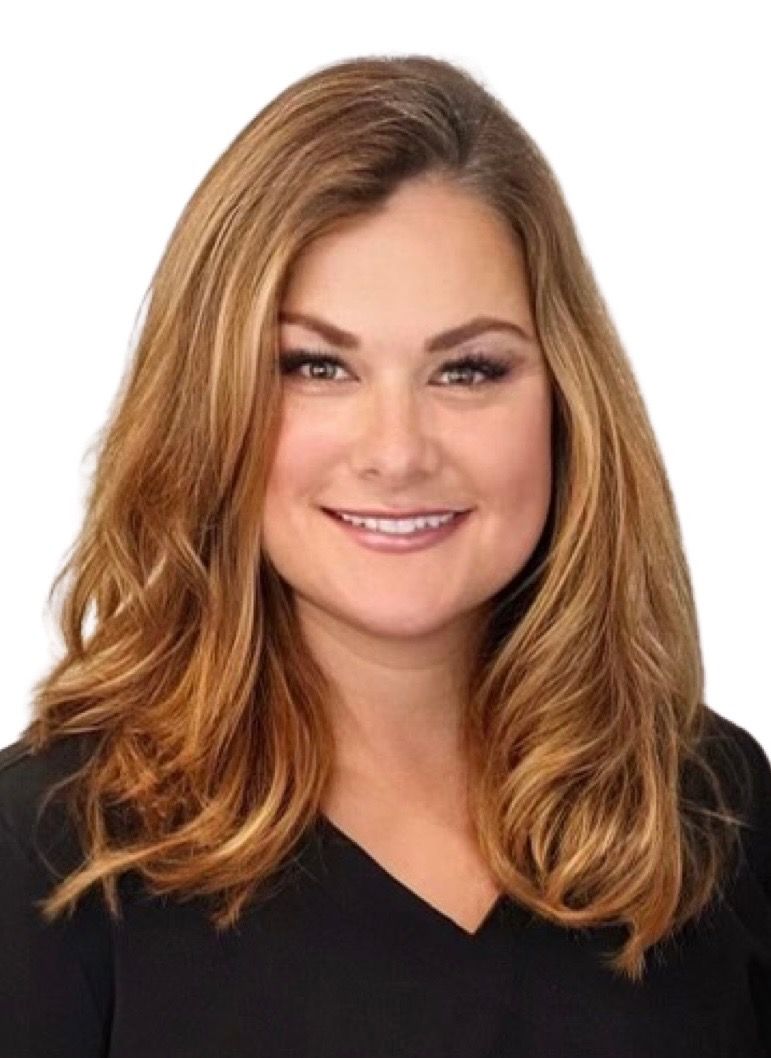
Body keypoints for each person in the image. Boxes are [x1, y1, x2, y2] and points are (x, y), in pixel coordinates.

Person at [0, 54, 769, 1058]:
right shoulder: (52, 851)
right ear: (213, 404)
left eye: (468, 368)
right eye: (317, 366)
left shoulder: (707, 802)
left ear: (565, 403)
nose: (398, 450)